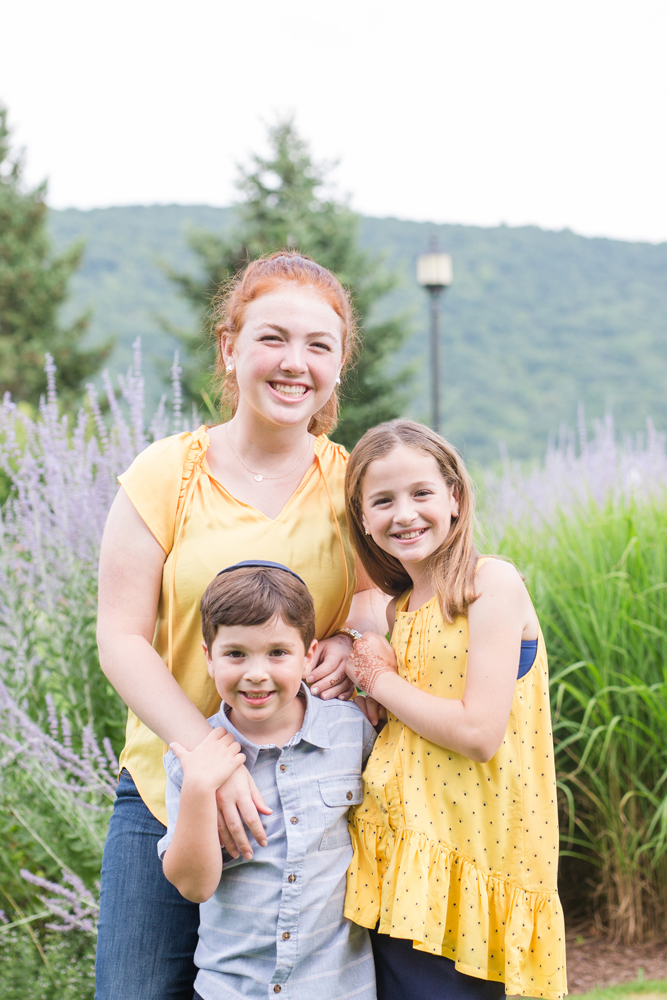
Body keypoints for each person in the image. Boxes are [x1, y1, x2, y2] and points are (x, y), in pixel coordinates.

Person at [95, 252, 386, 1000]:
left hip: (300, 800)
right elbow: (120, 637)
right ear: (229, 346)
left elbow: (372, 596)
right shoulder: (166, 474)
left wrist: (353, 637)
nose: (295, 364)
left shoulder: (350, 483)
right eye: (272, 339)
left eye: (319, 346)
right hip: (167, 785)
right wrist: (202, 757)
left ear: (338, 363)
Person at [341, 419, 567, 1000]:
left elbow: (477, 733)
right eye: (383, 501)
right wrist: (369, 694)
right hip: (404, 855)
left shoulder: (491, 583)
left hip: (472, 861)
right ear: (364, 519)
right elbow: (415, 721)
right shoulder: (400, 610)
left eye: (421, 493)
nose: (405, 513)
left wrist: (378, 682)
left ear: (455, 498)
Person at [159, 561, 377, 1000]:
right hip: (233, 990)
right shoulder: (193, 762)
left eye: (277, 653)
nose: (256, 672)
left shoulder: (351, 732)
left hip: (337, 988)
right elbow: (194, 885)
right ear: (208, 656)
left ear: (309, 654)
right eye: (236, 654)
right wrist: (202, 789)